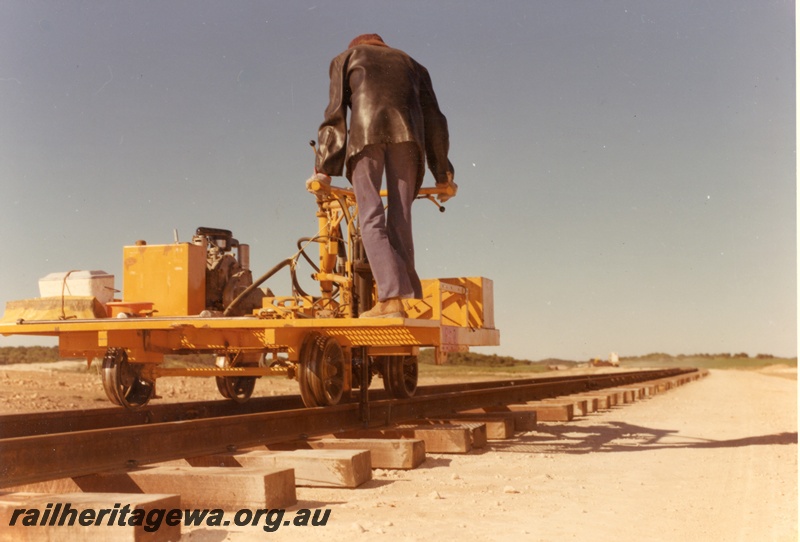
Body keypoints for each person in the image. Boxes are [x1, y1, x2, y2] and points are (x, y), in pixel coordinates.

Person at [307, 33, 457, 318]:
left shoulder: (345, 58)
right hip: (409, 141)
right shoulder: (414, 65)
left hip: (366, 138)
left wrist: (324, 169)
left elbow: (335, 114)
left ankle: (390, 299)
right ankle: (398, 298)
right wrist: (442, 174)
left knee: (371, 216)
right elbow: (435, 120)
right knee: (401, 216)